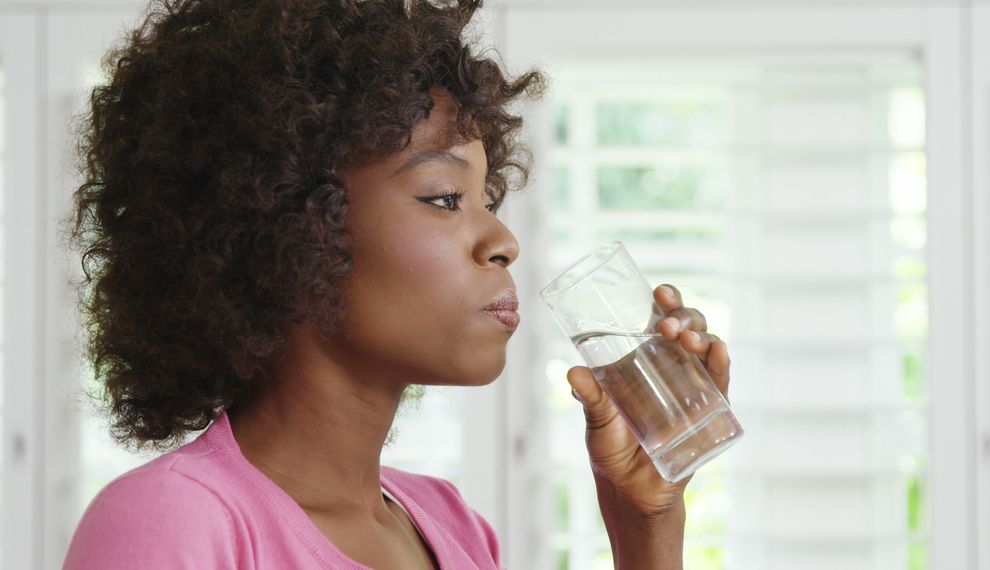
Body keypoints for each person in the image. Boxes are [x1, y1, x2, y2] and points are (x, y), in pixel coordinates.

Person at [61, 0, 733, 568]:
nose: (502, 242)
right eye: (444, 198)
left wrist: (646, 526)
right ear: (292, 227)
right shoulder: (173, 523)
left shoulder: (454, 529)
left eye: (486, 198)